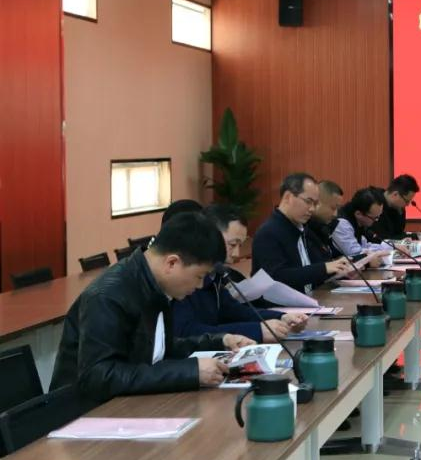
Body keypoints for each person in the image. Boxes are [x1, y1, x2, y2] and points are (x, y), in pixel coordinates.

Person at [51, 213, 255, 403]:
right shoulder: (108, 296)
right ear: (172, 263)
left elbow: (159, 348)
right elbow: (99, 376)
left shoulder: (153, 284)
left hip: (129, 404)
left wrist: (220, 341)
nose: (200, 286)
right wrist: (190, 372)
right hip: (84, 413)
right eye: (199, 276)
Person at [172, 203, 308, 343]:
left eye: (240, 245)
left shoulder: (215, 275)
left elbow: (234, 311)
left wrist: (281, 317)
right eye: (232, 244)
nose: (236, 253)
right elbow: (184, 331)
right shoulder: (183, 275)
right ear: (210, 236)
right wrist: (257, 330)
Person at [251, 172, 351, 293]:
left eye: (315, 203)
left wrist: (337, 270)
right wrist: (324, 268)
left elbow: (315, 268)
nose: (312, 209)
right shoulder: (268, 233)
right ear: (288, 197)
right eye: (308, 201)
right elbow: (276, 277)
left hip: (311, 298)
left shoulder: (304, 229)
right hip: (284, 303)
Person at [333, 186, 390, 258]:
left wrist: (391, 247)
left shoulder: (358, 222)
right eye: (374, 218)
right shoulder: (342, 224)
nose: (376, 220)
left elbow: (364, 245)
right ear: (358, 214)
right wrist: (379, 253)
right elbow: (355, 253)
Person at [370, 174, 419, 242]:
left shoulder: (397, 208)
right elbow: (382, 239)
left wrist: (400, 214)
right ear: (395, 194)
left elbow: (399, 233)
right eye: (406, 201)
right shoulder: (374, 203)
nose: (407, 205)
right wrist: (412, 236)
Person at [307, 180, 346, 262]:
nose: (335, 214)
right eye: (333, 208)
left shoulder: (324, 228)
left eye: (338, 209)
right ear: (317, 203)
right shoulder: (304, 230)